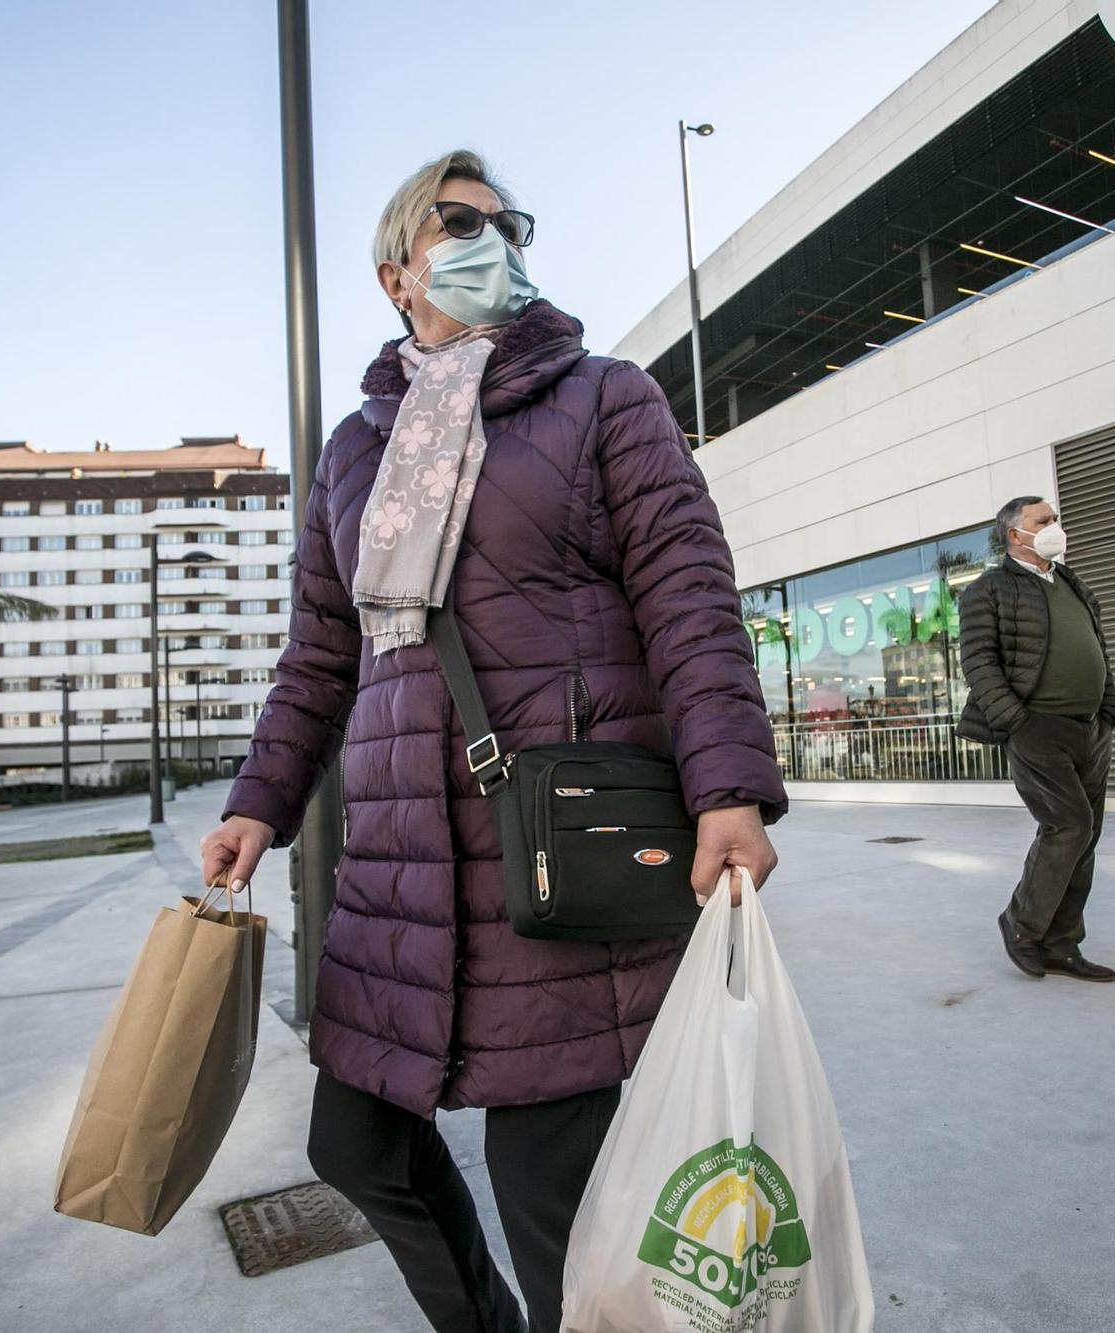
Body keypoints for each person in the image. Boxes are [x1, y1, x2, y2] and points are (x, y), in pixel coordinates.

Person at [196, 151, 786, 1333]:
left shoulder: (604, 398)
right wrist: (259, 802)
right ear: (393, 273)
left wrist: (727, 782)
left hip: (559, 848)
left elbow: (687, 590)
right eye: (456, 221)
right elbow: (322, 653)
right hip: (401, 870)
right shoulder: (353, 455)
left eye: (504, 221)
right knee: (355, 1146)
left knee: (551, 1205)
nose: (491, 239)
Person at [956, 496, 1115, 982]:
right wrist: (1015, 719)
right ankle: (1022, 926)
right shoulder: (989, 590)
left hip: (1090, 726)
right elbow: (979, 663)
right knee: (1068, 825)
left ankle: (1062, 944)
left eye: (1055, 519)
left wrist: (1108, 710)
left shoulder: (1072, 582)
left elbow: (1099, 650)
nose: (1055, 526)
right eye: (1043, 521)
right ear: (1015, 534)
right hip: (1037, 727)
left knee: (1085, 837)